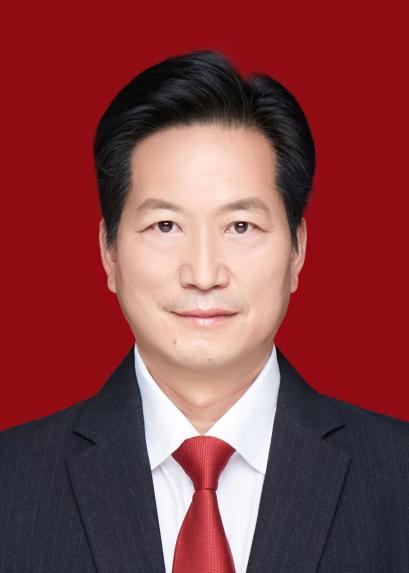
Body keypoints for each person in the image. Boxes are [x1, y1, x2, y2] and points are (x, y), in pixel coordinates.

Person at [1, 49, 408, 573]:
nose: (203, 272)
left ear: (297, 250)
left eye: (240, 226)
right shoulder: (12, 482)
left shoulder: (398, 476)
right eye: (165, 226)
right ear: (109, 252)